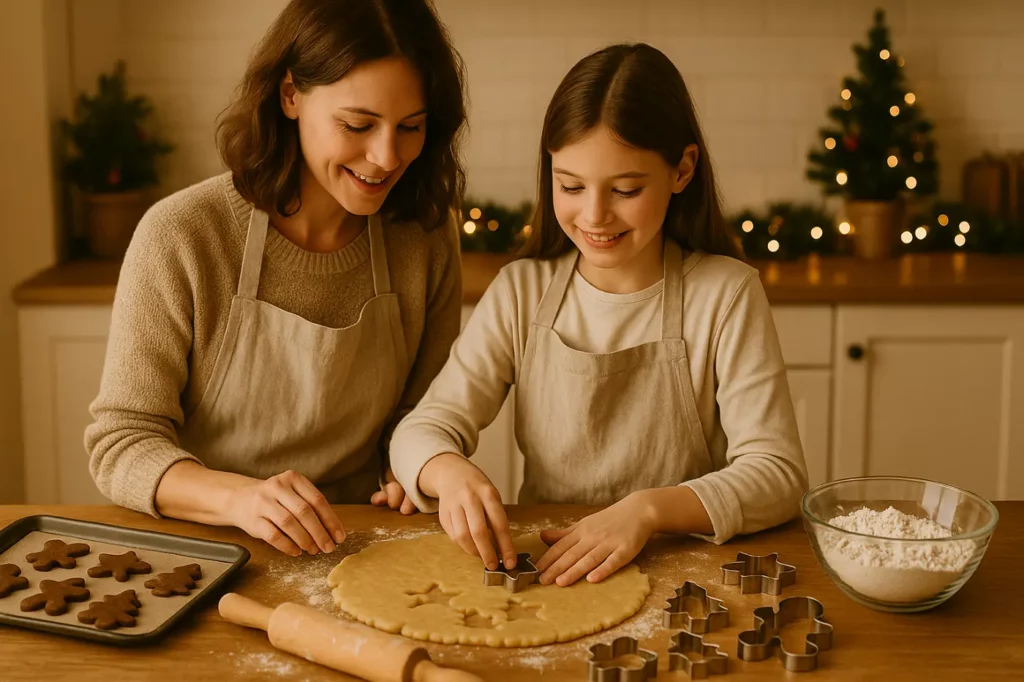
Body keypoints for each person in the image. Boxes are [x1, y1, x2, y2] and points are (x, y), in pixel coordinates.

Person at [389, 43, 808, 587]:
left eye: (626, 189)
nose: (594, 215)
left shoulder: (725, 296)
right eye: (570, 185)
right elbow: (422, 428)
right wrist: (447, 472)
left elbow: (777, 475)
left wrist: (647, 512)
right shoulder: (522, 293)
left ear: (682, 170)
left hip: (686, 574)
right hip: (551, 572)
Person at [85, 0, 467, 558]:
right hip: (206, 550)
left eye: (410, 126)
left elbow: (419, 417)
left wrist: (411, 471)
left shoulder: (425, 238)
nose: (386, 157)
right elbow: (121, 444)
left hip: (360, 547)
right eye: (357, 125)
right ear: (290, 95)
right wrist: (241, 500)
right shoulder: (184, 235)